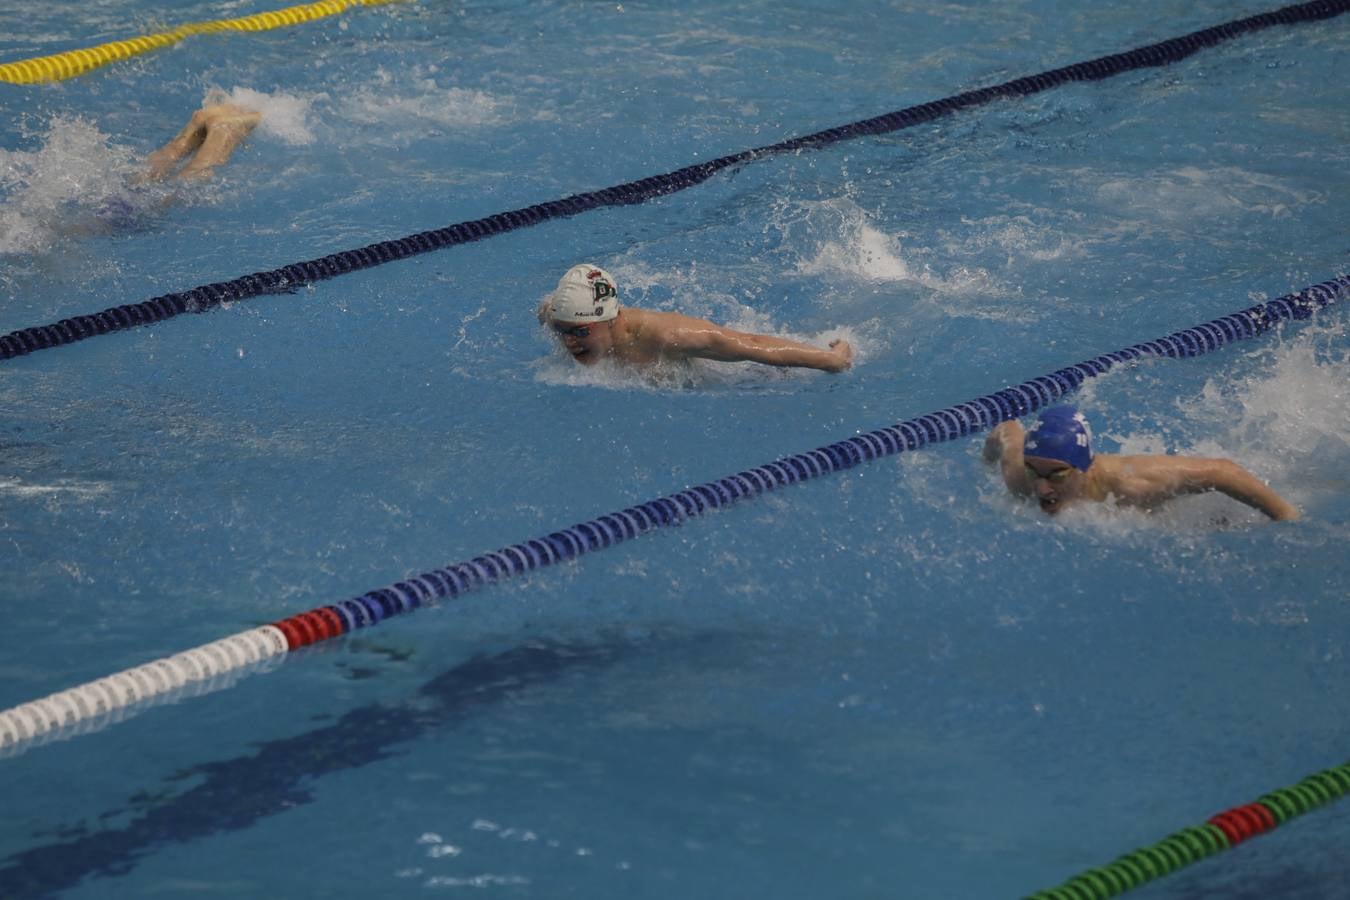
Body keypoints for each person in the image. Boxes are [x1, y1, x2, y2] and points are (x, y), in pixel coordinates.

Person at [982, 405, 1299, 521]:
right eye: (1033, 470)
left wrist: (1285, 516)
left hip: (1183, 513)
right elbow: (1006, 429)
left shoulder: (1131, 485)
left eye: (1057, 474)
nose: (1040, 486)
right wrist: (985, 462)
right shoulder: (1017, 474)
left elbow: (1223, 471)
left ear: (1084, 467)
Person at [537, 264, 853, 373]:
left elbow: (749, 344)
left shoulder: (666, 336)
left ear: (609, 320)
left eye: (579, 332)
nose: (568, 342)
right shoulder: (560, 317)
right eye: (561, 330)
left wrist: (830, 360)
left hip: (747, 373)